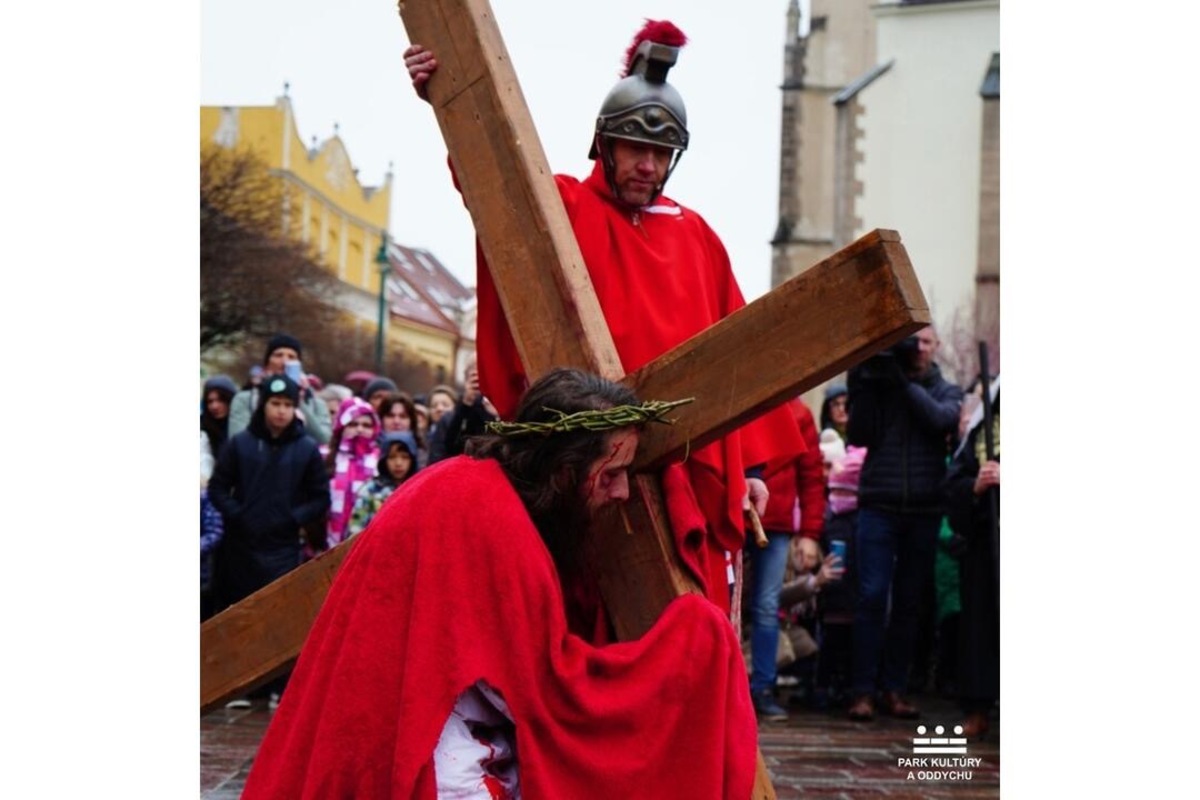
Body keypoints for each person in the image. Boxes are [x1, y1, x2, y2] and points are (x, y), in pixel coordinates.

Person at [404, 20, 806, 616]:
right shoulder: (562, 203)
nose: (648, 165)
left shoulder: (698, 238)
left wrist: (745, 464)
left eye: (661, 152)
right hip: (585, 465)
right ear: (605, 144)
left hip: (687, 468)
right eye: (636, 149)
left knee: (683, 619)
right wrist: (443, 96)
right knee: (582, 613)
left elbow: (736, 357)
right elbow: (489, 185)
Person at [238, 368, 757, 799]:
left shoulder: (474, 487)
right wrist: (691, 646)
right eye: (611, 473)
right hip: (409, 745)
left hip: (389, 724)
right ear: (564, 470)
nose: (622, 491)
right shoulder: (491, 519)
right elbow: (543, 695)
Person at [844, 325, 964, 721]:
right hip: (878, 503)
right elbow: (859, 435)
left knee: (910, 602)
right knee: (872, 595)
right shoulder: (881, 383)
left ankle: (894, 689)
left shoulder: (947, 390)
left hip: (925, 509)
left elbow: (941, 420)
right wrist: (861, 381)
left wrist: (901, 384)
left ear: (937, 347)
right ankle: (862, 690)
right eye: (914, 341)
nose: (919, 348)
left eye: (926, 341)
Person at [207, 374, 331, 704]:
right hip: (241, 545)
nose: (281, 411)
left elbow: (320, 498)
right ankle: (241, 687)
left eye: (288, 405)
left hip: (282, 546)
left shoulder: (305, 449)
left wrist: (293, 518)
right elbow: (219, 487)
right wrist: (237, 513)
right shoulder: (242, 444)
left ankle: (278, 687)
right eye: (275, 404)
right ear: (264, 405)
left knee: (281, 615)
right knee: (241, 613)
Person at [747, 397, 826, 721]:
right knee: (721, 602)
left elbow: (812, 478)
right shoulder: (739, 398)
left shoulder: (799, 413)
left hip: (775, 524)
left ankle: (762, 688)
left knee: (767, 606)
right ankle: (726, 685)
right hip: (728, 514)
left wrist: (809, 533)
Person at [944, 375, 999, 738]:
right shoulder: (988, 420)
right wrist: (977, 485)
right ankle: (979, 708)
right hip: (986, 539)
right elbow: (955, 481)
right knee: (981, 627)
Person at [228, 334, 332, 445]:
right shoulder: (245, 399)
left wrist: (297, 399)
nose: (284, 362)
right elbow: (236, 441)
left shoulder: (315, 403)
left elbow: (323, 439)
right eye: (278, 355)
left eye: (291, 357)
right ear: (267, 362)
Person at [322, 397, 382, 552]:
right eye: (353, 424)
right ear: (341, 427)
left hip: (367, 544)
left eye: (366, 425)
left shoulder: (381, 459)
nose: (360, 429)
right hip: (327, 543)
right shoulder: (324, 456)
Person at [347, 430, 420, 539]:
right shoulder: (370, 489)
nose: (398, 463)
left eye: (404, 457)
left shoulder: (418, 488)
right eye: (392, 457)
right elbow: (355, 528)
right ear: (383, 459)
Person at [200, 374, 238, 461]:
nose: (214, 406)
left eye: (221, 400)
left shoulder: (243, 427)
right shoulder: (202, 428)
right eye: (210, 401)